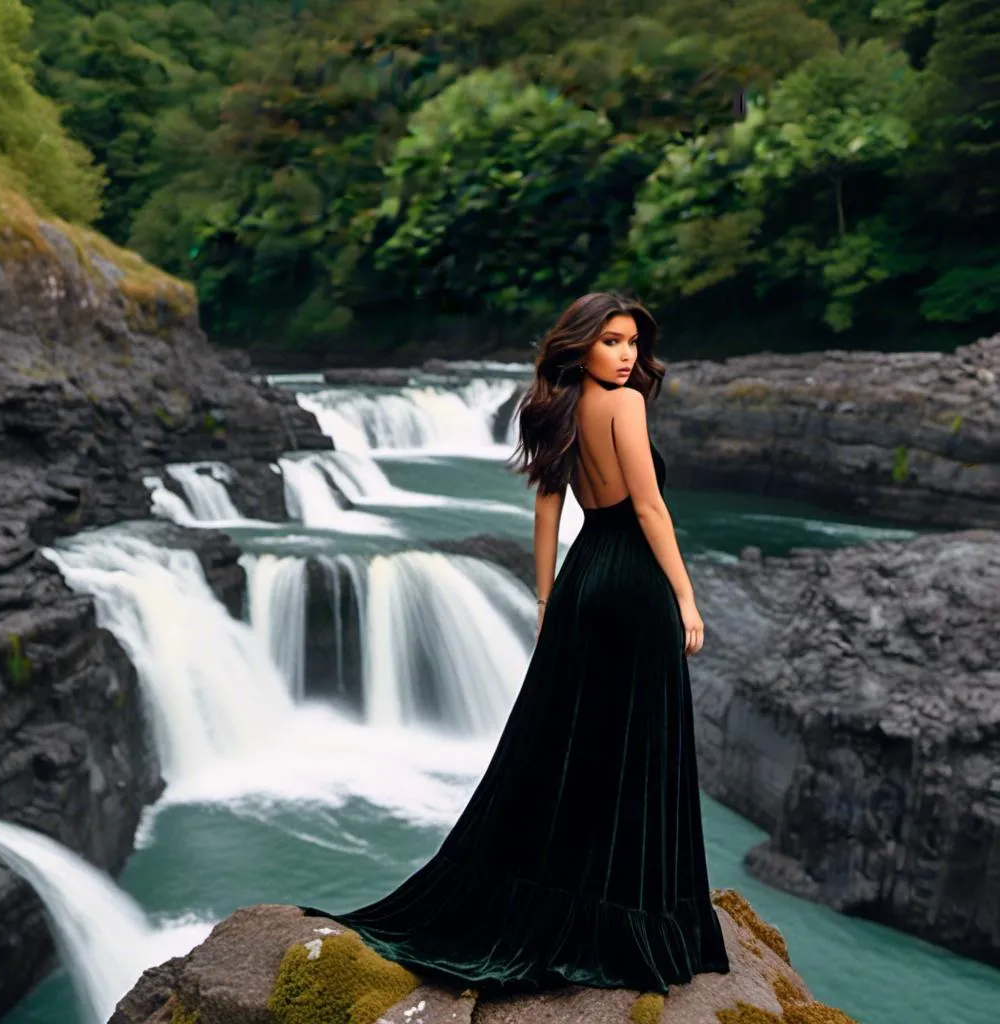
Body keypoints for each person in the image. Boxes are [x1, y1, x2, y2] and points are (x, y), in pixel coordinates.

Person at [300, 291, 730, 994]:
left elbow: (548, 506)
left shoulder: (556, 408)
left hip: (585, 576)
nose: (625, 356)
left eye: (631, 344)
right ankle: (635, 919)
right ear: (582, 344)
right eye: (612, 342)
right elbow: (649, 507)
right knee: (636, 747)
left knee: (571, 748)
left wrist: (545, 596)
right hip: (634, 582)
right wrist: (685, 595)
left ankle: (561, 897)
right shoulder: (624, 407)